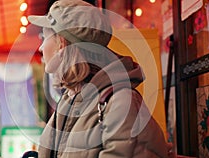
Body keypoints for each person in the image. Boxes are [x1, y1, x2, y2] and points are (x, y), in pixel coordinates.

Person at [28, 0, 173, 157]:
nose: (41, 47)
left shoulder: (121, 102)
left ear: (61, 44)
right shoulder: (71, 99)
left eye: (45, 36)